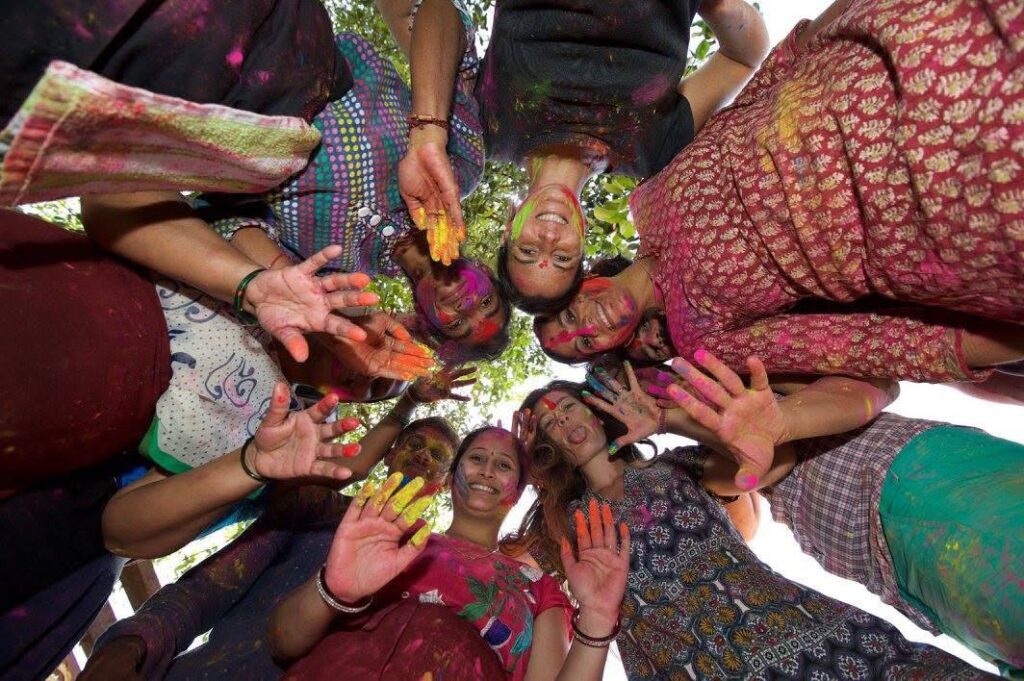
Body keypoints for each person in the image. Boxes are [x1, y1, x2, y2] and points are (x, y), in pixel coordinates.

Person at [535, 0, 1024, 383]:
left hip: (882, 64)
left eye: (570, 311)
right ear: (609, 350)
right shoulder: (703, 341)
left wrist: (837, 16)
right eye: (582, 344)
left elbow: (751, 99)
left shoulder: (648, 197)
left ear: (582, 280)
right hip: (932, 216)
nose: (586, 324)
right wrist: (1002, 340)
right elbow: (854, 343)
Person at [510, 380, 999, 679]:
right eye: (549, 422)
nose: (563, 419)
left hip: (808, 637)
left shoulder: (677, 467)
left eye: (567, 406)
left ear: (595, 411)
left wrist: (664, 419)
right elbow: (498, 565)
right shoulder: (561, 528)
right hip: (688, 670)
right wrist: (518, 463)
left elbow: (764, 465)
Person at [0, 212, 432, 494]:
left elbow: (124, 522)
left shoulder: (283, 428)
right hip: (50, 279)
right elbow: (120, 207)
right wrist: (267, 280)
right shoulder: (292, 275)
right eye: (379, 356)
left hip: (50, 413)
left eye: (375, 389)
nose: (366, 375)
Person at [669, 353, 1024, 675]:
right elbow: (746, 514)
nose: (681, 389)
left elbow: (875, 387)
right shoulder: (694, 461)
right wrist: (671, 420)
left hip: (915, 479)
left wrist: (778, 417)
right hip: (897, 566)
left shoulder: (763, 378)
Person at [81, 413, 461, 680]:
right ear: (389, 454)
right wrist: (126, 649)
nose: (423, 456)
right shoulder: (315, 506)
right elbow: (203, 594)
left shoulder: (436, 576)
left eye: (439, 456)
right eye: (414, 443)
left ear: (445, 482)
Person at [269, 426, 630, 680]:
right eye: (476, 458)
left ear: (517, 492)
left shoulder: (539, 589)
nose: (487, 470)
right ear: (450, 477)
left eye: (504, 465)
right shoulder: (387, 538)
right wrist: (333, 592)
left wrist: (597, 620)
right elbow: (283, 641)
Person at [482, 0, 771, 311]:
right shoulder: (653, 150)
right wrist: (721, 7)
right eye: (562, 258)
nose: (549, 237)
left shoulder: (488, 125)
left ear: (509, 227)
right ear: (583, 240)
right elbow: (741, 59)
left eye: (527, 250)